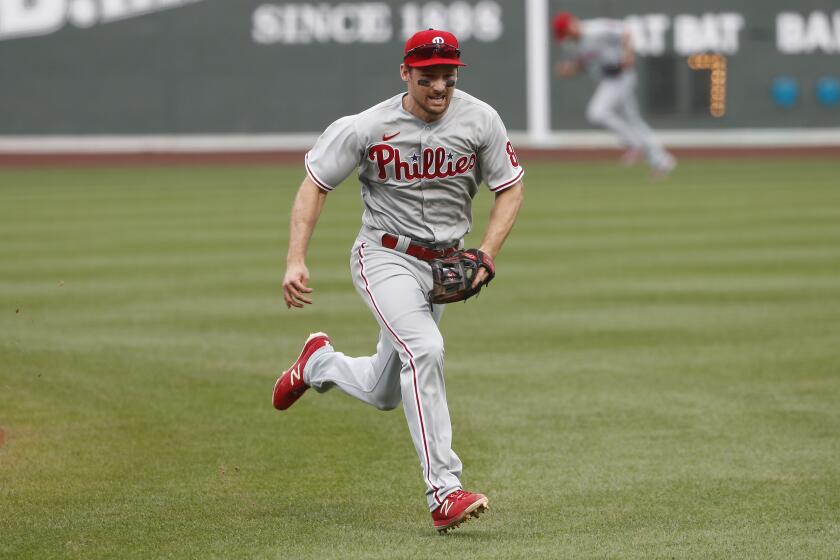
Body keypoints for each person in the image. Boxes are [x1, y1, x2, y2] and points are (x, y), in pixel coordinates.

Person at [272, 28, 525, 533]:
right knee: (425, 350)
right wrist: (295, 259)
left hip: (442, 266)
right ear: (405, 72)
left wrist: (487, 254)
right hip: (384, 257)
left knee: (385, 390)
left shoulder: (480, 119)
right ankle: (445, 492)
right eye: (427, 76)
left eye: (447, 77)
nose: (438, 87)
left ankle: (318, 363)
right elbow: (315, 185)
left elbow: (511, 188)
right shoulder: (366, 126)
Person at [552, 11, 676, 176]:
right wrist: (571, 69)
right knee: (634, 121)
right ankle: (661, 161)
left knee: (597, 112)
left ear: (572, 25)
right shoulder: (571, 44)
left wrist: (628, 54)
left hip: (622, 75)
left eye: (566, 32)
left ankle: (633, 143)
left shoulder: (596, 29)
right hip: (607, 78)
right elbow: (584, 64)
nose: (566, 37)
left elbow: (626, 32)